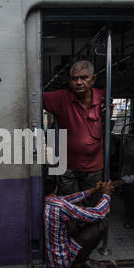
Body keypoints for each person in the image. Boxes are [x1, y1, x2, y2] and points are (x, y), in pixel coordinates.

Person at [43, 60, 106, 207]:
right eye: (74, 78)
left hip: (94, 166)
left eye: (84, 78)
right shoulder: (60, 98)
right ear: (69, 81)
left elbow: (106, 125)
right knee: (68, 204)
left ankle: (89, 229)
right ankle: (70, 229)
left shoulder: (103, 97)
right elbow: (34, 96)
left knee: (92, 204)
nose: (79, 82)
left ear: (93, 79)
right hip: (67, 166)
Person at [43, 176, 114, 268]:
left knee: (75, 222)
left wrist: (93, 190)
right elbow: (98, 214)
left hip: (50, 259)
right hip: (62, 262)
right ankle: (80, 261)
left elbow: (67, 199)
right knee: (102, 222)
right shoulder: (60, 206)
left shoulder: (46, 200)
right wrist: (107, 195)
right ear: (56, 185)